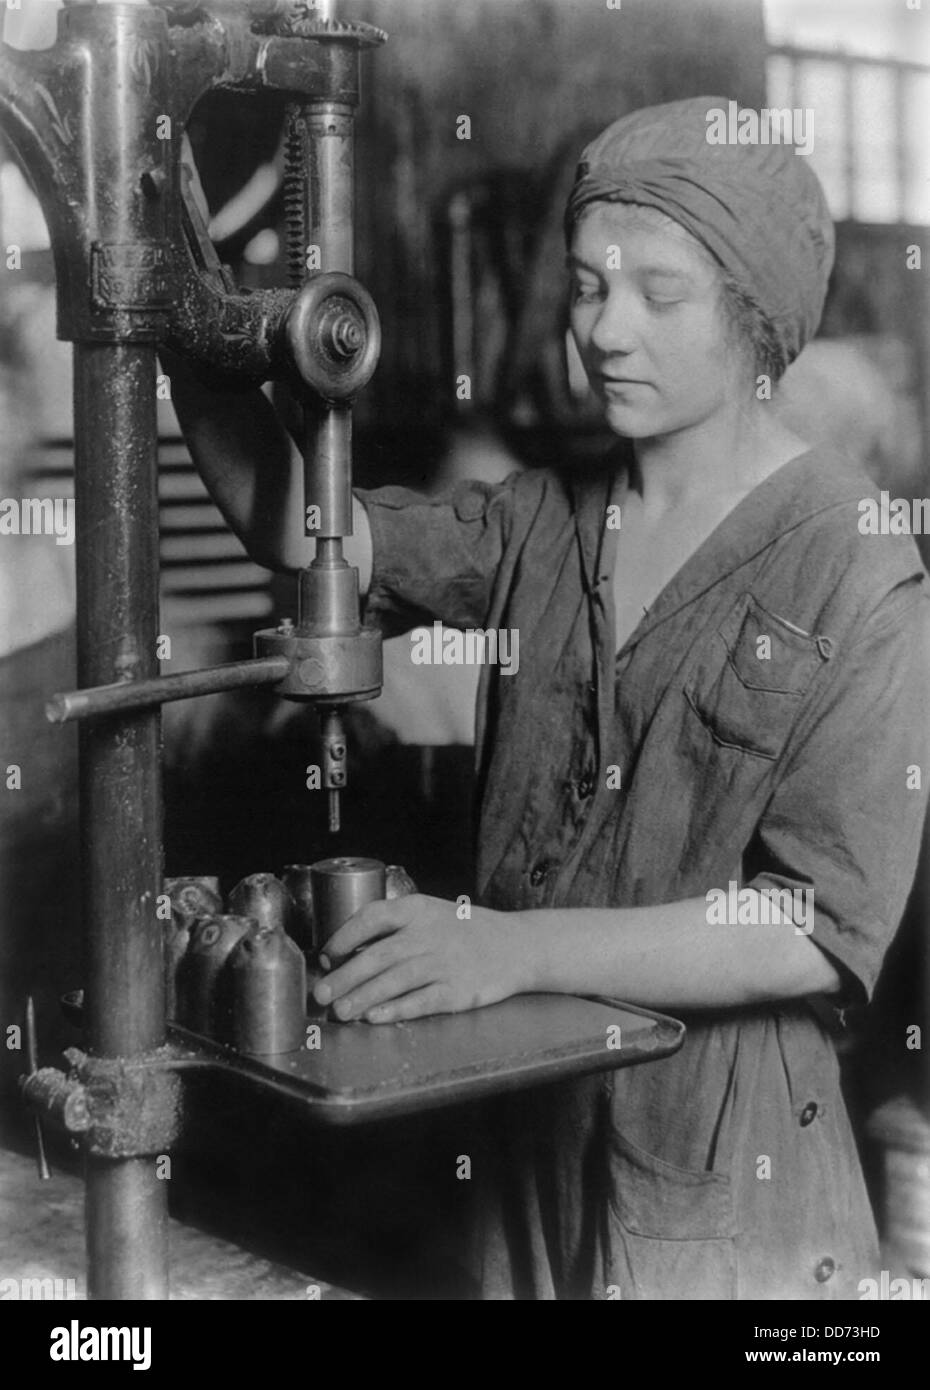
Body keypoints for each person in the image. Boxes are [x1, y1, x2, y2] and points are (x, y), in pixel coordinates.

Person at [165, 97, 930, 1300]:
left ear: (756, 317)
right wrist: (182, 325)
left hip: (729, 1199)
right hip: (528, 1159)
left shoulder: (856, 563)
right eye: (587, 288)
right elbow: (306, 528)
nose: (606, 331)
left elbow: (808, 929)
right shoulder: (539, 522)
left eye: (659, 296)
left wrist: (500, 949)